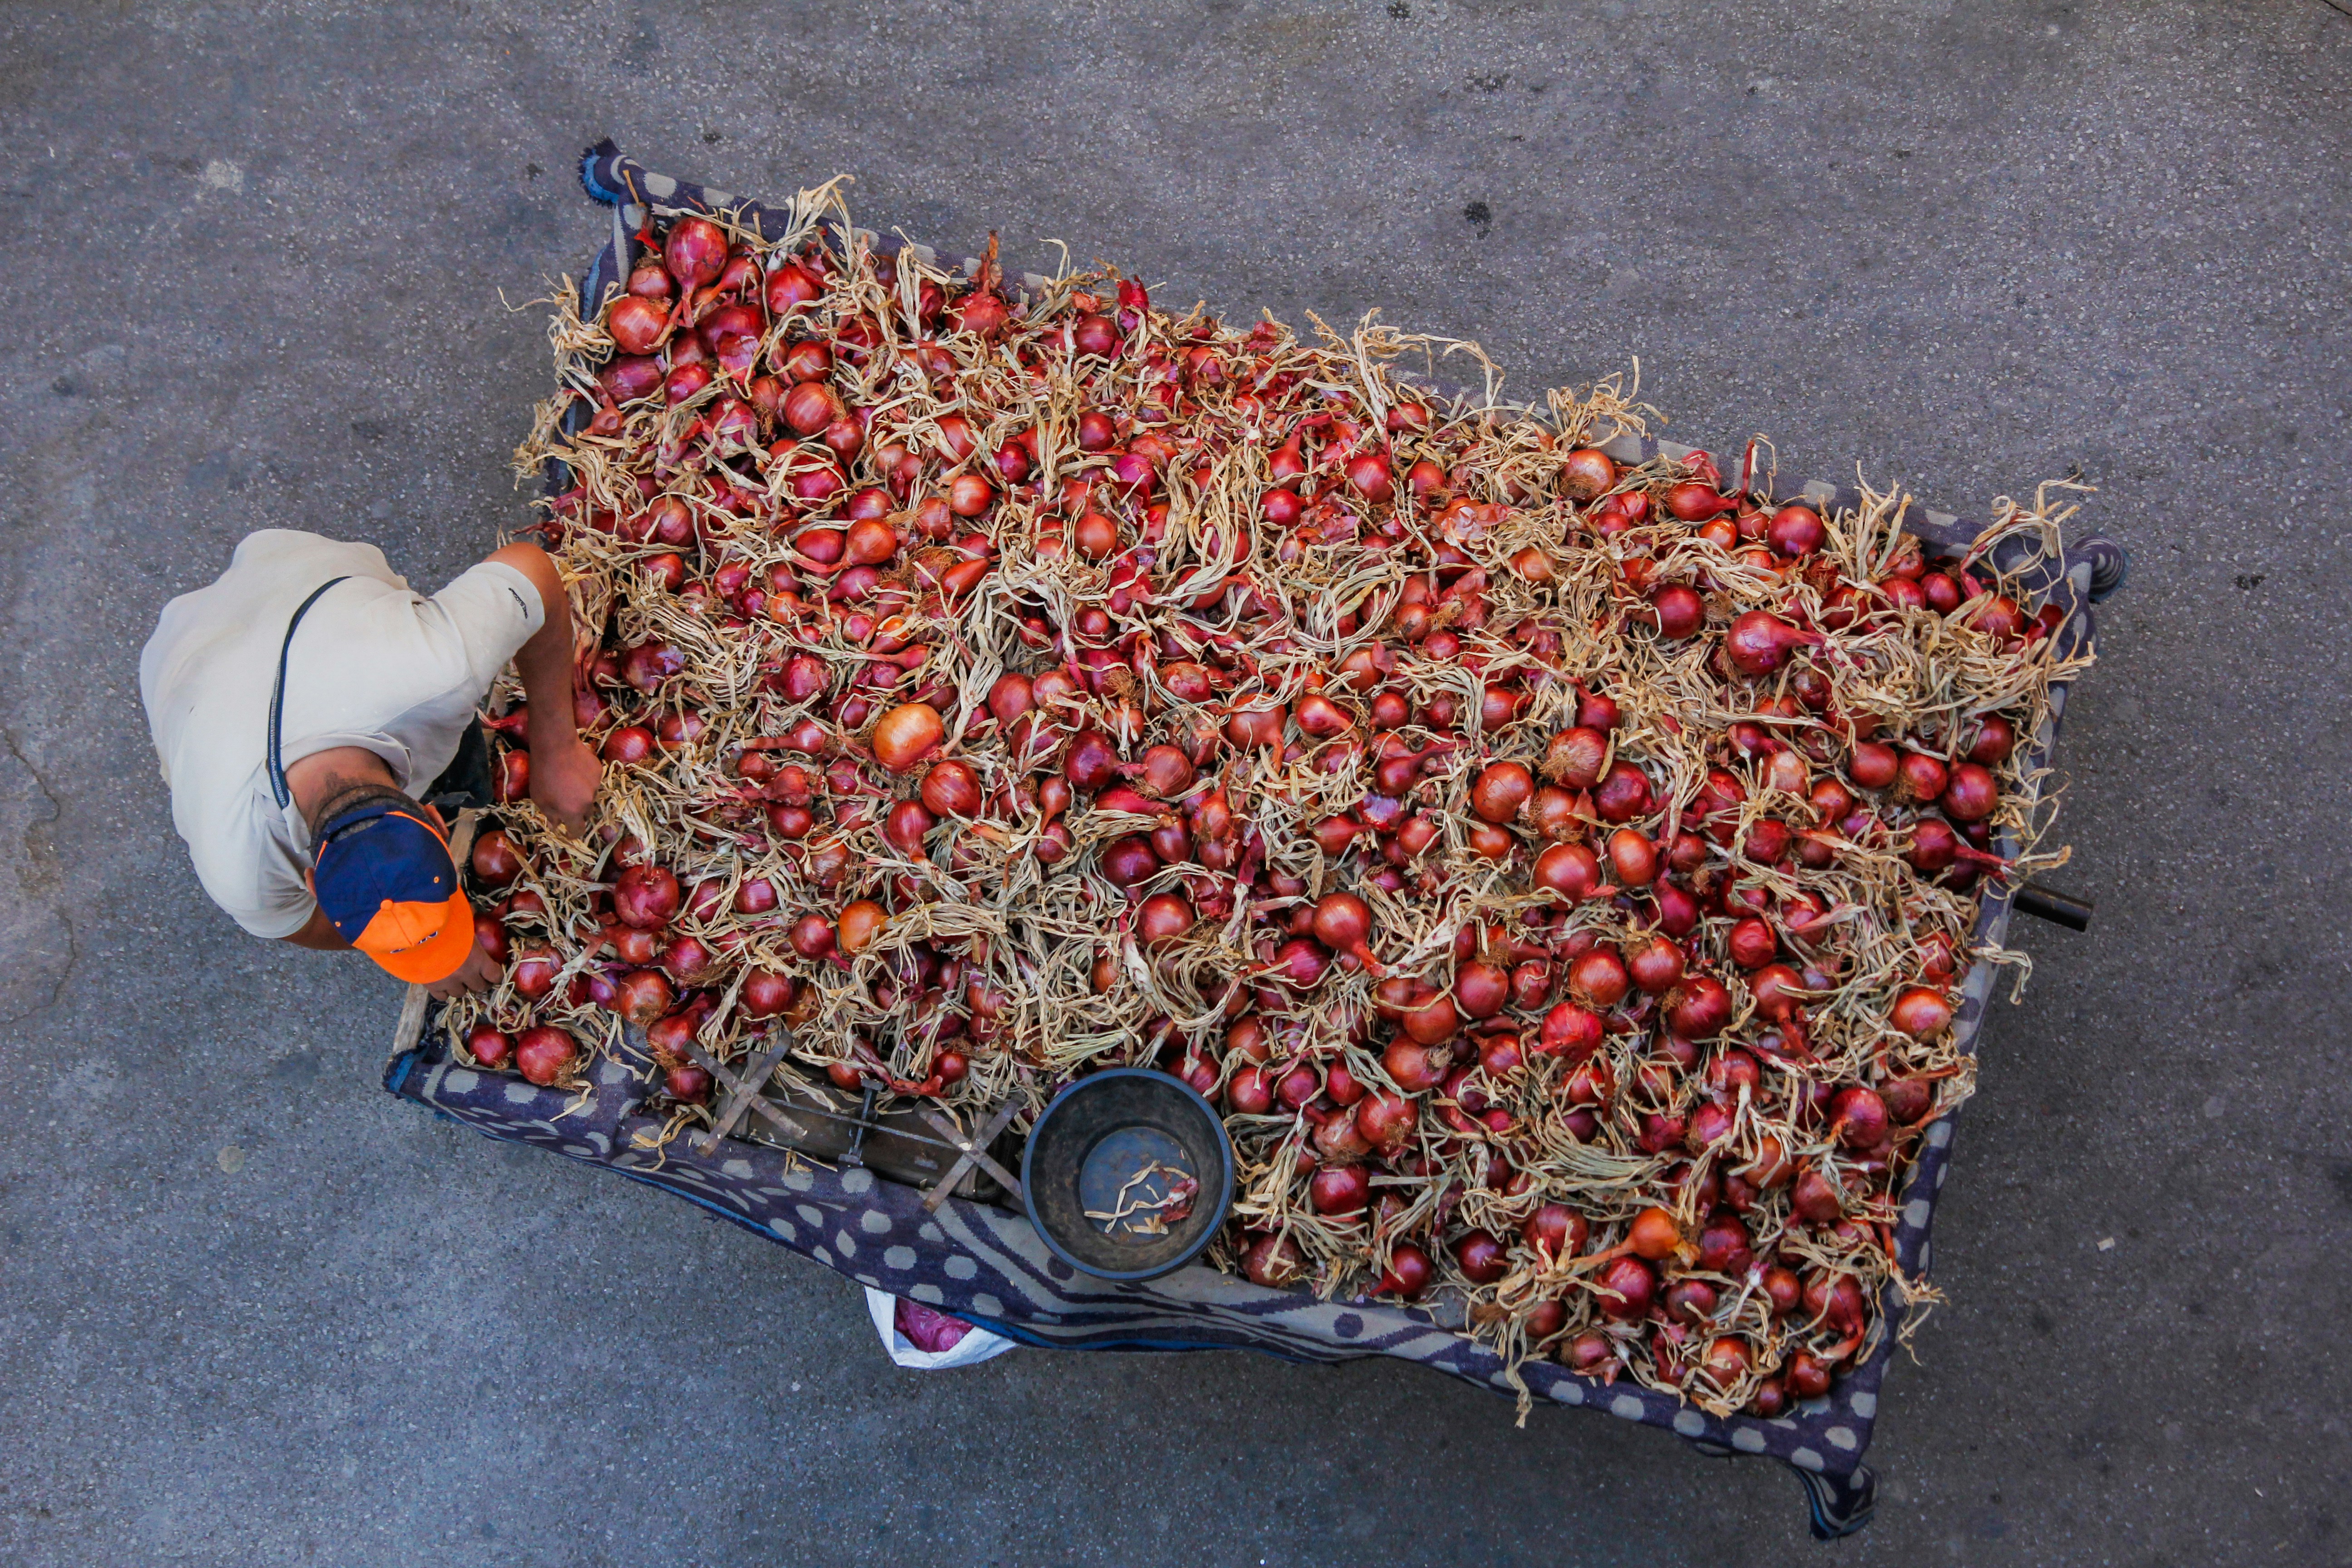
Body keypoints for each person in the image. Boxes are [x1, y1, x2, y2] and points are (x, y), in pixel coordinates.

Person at [140, 529, 598, 998]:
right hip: (181, 666)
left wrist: (557, 748)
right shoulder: (237, 867)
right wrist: (422, 944)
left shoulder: (436, 669)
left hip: (294, 564)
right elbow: (298, 924)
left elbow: (534, 571)